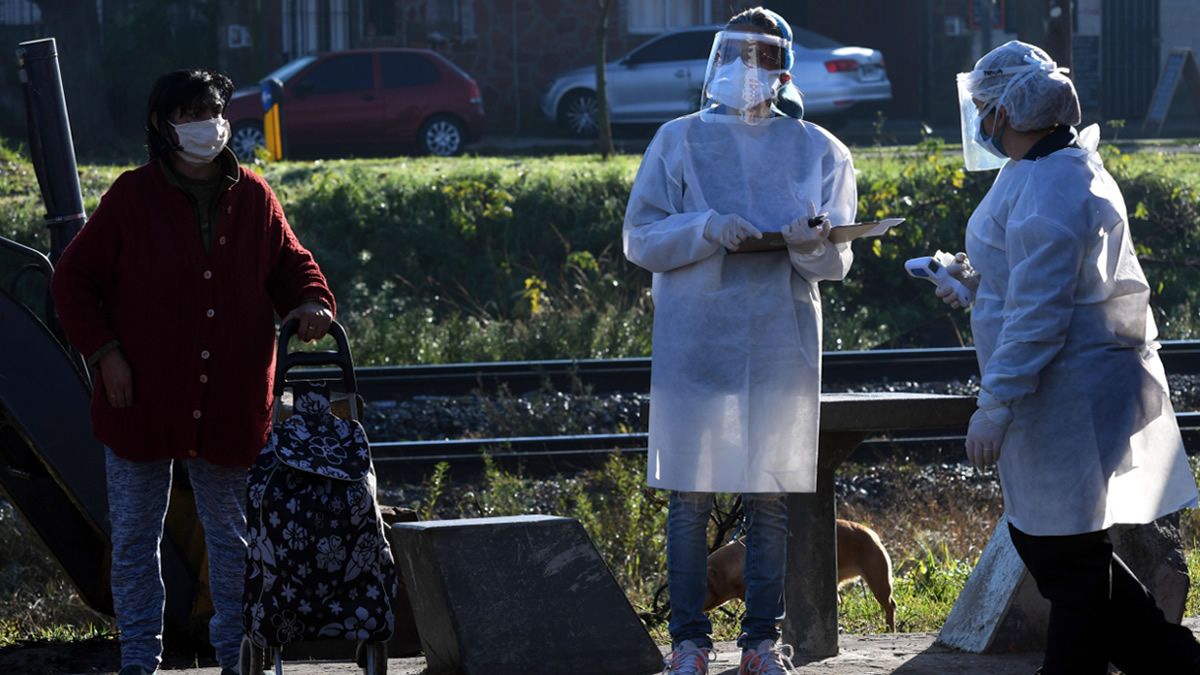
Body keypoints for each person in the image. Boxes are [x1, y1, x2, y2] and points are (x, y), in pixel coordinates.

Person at [50, 69, 337, 675]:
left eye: (211, 112)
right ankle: (139, 661)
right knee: (134, 538)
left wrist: (313, 302)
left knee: (231, 539)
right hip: (139, 401)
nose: (205, 125)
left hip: (230, 400)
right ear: (163, 125)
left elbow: (293, 265)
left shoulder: (254, 196)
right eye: (188, 115)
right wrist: (105, 353)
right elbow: (72, 281)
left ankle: (236, 658)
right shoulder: (132, 197)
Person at [935, 40, 1200, 674]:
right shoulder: (1043, 169)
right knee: (1066, 552)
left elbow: (1040, 313)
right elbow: (1032, 279)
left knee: (1065, 555)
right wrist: (976, 283)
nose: (980, 121)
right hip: (1064, 390)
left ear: (1006, 111)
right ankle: (1175, 663)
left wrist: (994, 404)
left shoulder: (1052, 183)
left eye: (984, 108)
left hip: (1069, 395)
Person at [622, 8, 856, 674]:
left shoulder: (818, 148)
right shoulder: (679, 140)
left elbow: (837, 257)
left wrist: (810, 242)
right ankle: (689, 640)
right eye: (739, 54)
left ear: (784, 69)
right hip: (697, 336)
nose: (750, 69)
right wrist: (703, 227)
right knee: (690, 494)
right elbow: (640, 236)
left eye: (764, 57)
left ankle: (761, 641)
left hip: (778, 334)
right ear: (719, 59)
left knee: (769, 493)